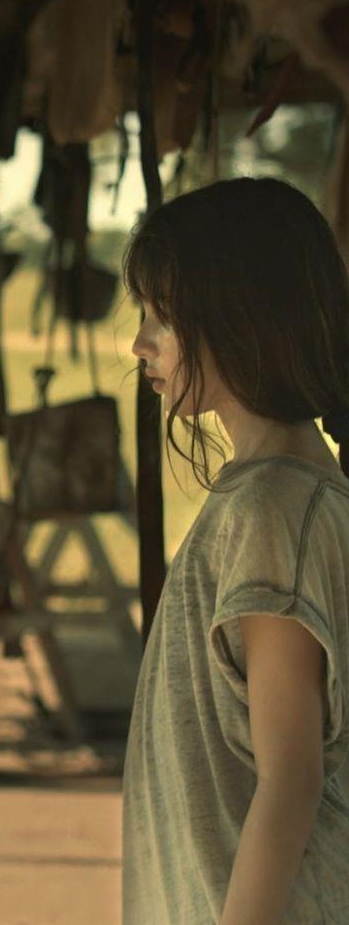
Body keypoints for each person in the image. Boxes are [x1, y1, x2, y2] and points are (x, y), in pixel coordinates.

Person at [120, 177, 349, 924]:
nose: (140, 344)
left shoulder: (273, 509)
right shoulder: (270, 495)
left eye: (162, 316)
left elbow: (290, 781)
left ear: (242, 317)